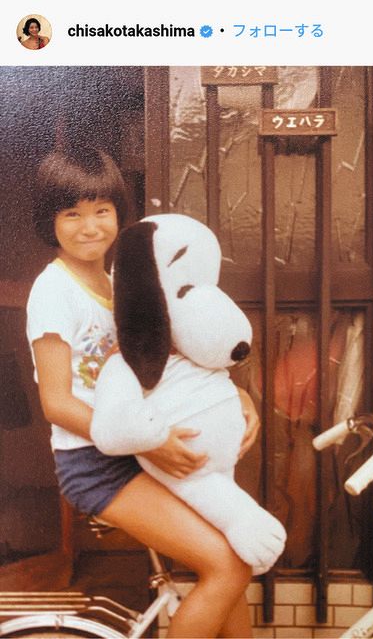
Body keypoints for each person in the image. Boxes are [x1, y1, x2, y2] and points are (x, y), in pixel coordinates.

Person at [26, 147, 260, 638]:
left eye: (101, 211)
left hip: (144, 452)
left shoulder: (122, 281)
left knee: (239, 556)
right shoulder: (53, 291)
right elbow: (57, 402)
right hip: (96, 466)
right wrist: (148, 439)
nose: (90, 226)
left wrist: (238, 397)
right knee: (228, 566)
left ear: (117, 213)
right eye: (72, 214)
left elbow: (180, 354)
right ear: (49, 221)